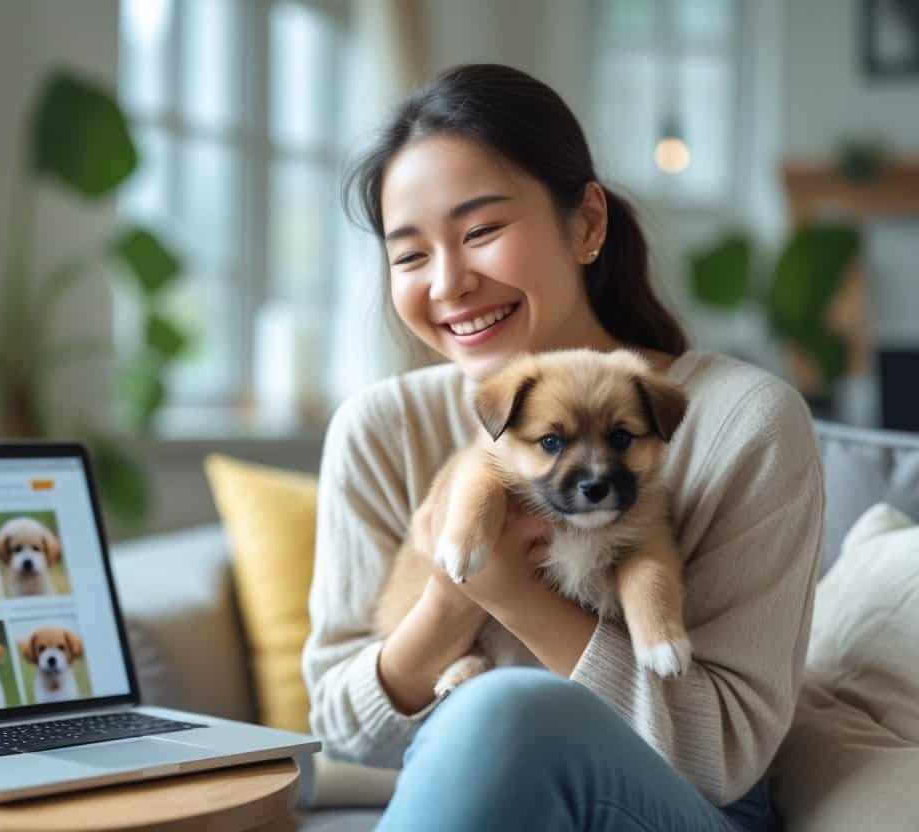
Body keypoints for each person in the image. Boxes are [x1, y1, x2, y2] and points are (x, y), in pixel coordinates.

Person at [301, 64, 824, 831]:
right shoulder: (377, 428)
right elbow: (342, 727)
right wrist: (451, 600)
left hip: (678, 807)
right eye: (409, 255)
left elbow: (723, 756)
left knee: (505, 709)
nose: (448, 283)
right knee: (493, 712)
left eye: (481, 232)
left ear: (586, 225)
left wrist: (513, 594)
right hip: (474, 784)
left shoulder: (747, 420)